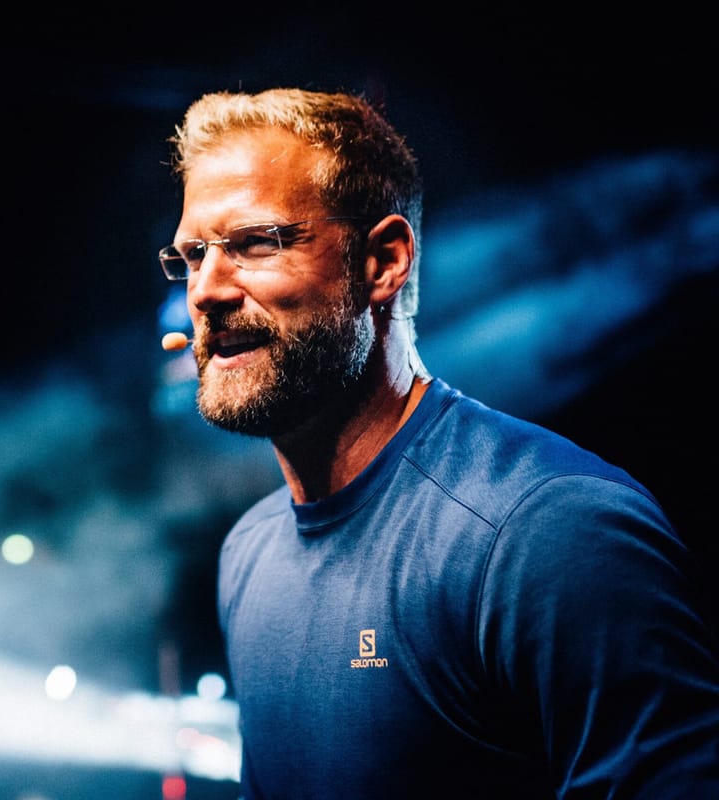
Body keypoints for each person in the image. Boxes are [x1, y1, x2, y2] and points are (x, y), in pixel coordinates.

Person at [155, 87, 719, 798]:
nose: (204, 291)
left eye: (256, 243)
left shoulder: (548, 533)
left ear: (382, 262)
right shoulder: (250, 553)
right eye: (193, 255)